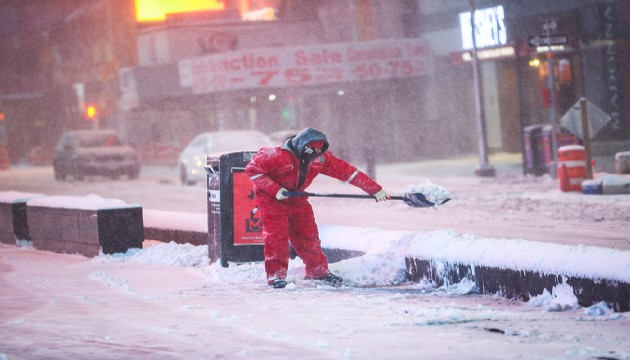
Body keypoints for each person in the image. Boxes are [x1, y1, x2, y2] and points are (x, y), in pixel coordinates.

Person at [245, 127, 389, 288]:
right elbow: (252, 170)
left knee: (308, 235)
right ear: (303, 147)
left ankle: (318, 271)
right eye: (313, 151)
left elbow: (347, 172)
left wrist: (374, 189)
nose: (316, 155)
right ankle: (275, 275)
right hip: (271, 200)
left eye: (319, 151)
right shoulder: (274, 155)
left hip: (297, 198)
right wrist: (275, 190)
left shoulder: (320, 158)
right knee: (276, 237)